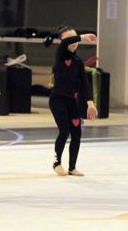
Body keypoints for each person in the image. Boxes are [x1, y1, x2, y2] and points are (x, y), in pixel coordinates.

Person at [44, 26, 98, 177]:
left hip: (71, 102)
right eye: (70, 39)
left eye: (75, 38)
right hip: (57, 100)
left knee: (76, 133)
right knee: (64, 130)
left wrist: (90, 103)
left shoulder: (78, 62)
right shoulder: (61, 54)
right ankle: (57, 163)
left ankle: (72, 167)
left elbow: (84, 84)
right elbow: (67, 42)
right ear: (63, 42)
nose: (74, 42)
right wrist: (82, 36)